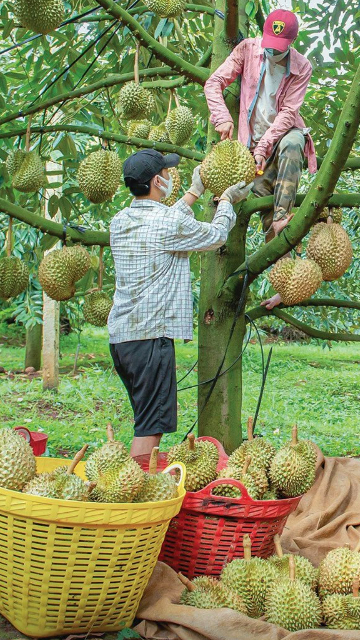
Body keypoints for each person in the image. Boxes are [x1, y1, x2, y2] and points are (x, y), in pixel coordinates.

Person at [107, 149, 253, 457]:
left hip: (122, 339)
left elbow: (166, 225)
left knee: (145, 416)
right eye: (168, 174)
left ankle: (136, 486)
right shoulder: (166, 224)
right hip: (149, 341)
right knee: (150, 425)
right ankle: (135, 495)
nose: (172, 176)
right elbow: (215, 236)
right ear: (157, 181)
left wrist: (193, 192)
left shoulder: (119, 221)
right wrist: (227, 200)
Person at [203, 8, 318, 309]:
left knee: (293, 144)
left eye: (278, 47)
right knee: (264, 202)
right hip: (248, 143)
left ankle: (283, 219)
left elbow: (288, 114)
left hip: (282, 134)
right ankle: (284, 279)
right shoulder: (248, 49)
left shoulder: (302, 67)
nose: (271, 51)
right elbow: (213, 83)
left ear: (292, 43)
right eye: (269, 43)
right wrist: (222, 118)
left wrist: (265, 147)